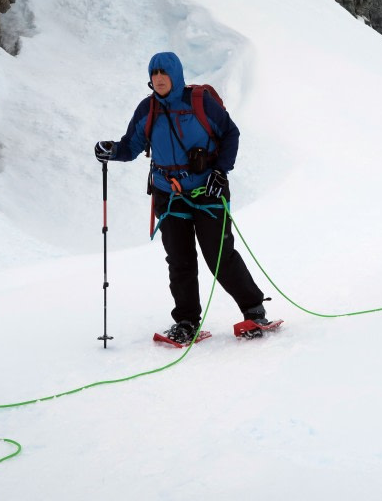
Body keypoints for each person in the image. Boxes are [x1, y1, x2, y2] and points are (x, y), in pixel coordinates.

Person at [95, 51, 270, 343]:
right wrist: (111, 150)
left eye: (164, 73)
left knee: (218, 257)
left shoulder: (200, 103)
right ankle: (187, 322)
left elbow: (230, 134)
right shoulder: (147, 109)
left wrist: (221, 171)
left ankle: (254, 310)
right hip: (169, 195)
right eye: (154, 74)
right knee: (180, 260)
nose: (159, 79)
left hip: (207, 191)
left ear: (175, 75)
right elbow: (131, 146)